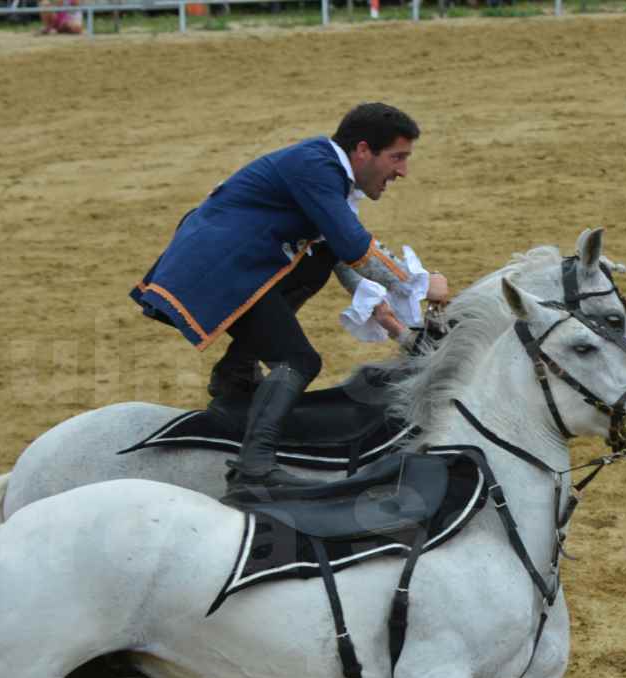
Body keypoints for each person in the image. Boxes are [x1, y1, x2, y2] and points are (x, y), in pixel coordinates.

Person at [130, 102, 448, 502]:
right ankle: (254, 467)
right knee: (299, 361)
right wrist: (419, 284)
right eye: (397, 157)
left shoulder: (327, 174)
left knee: (314, 264)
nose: (402, 171)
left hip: (229, 266)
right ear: (363, 150)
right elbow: (355, 248)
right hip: (222, 268)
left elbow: (342, 256)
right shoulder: (316, 167)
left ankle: (235, 380)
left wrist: (398, 330)